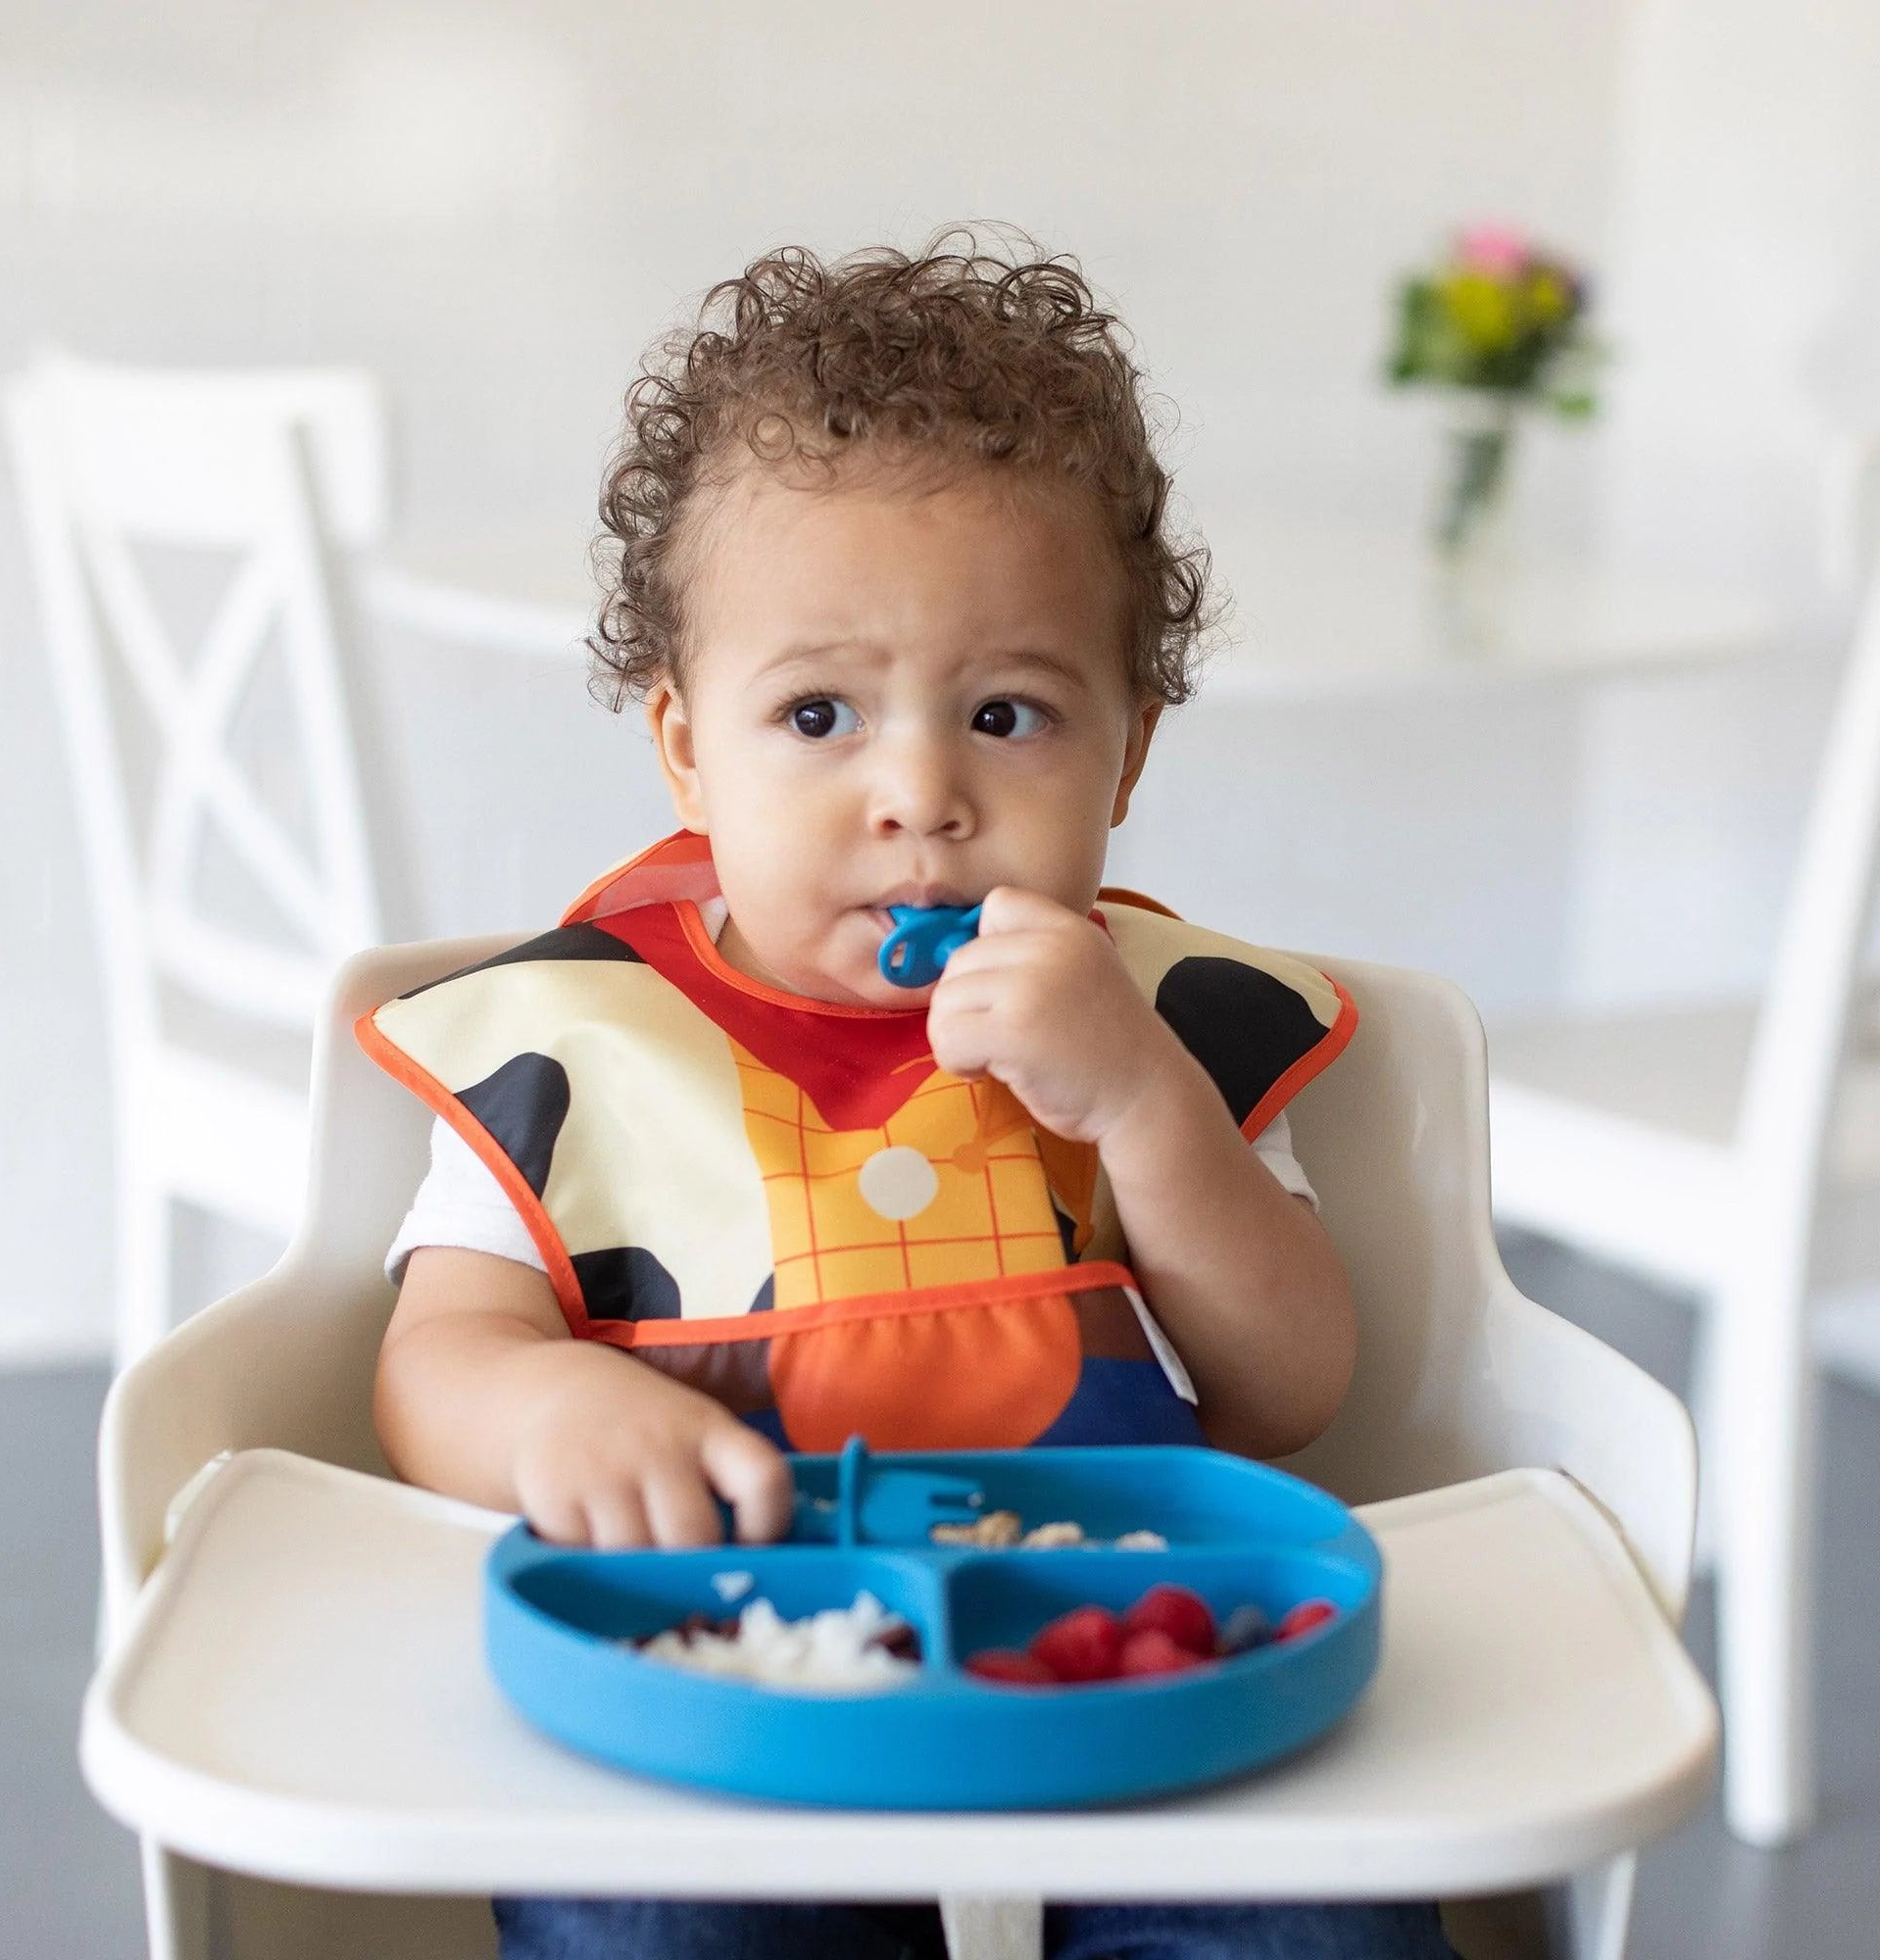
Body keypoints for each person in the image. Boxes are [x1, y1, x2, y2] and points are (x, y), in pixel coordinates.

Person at [361, 231, 1458, 1960]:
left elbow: (1287, 1390)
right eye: (817, 714)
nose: (922, 797)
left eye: (1009, 714)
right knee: (639, 1916)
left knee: (1320, 1918)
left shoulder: (1153, 1024)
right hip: (722, 1669)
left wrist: (1146, 1108)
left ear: (1131, 750)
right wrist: (542, 1417)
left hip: (1122, 1660)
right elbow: (434, 1361)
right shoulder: (573, 1040)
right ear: (684, 747)